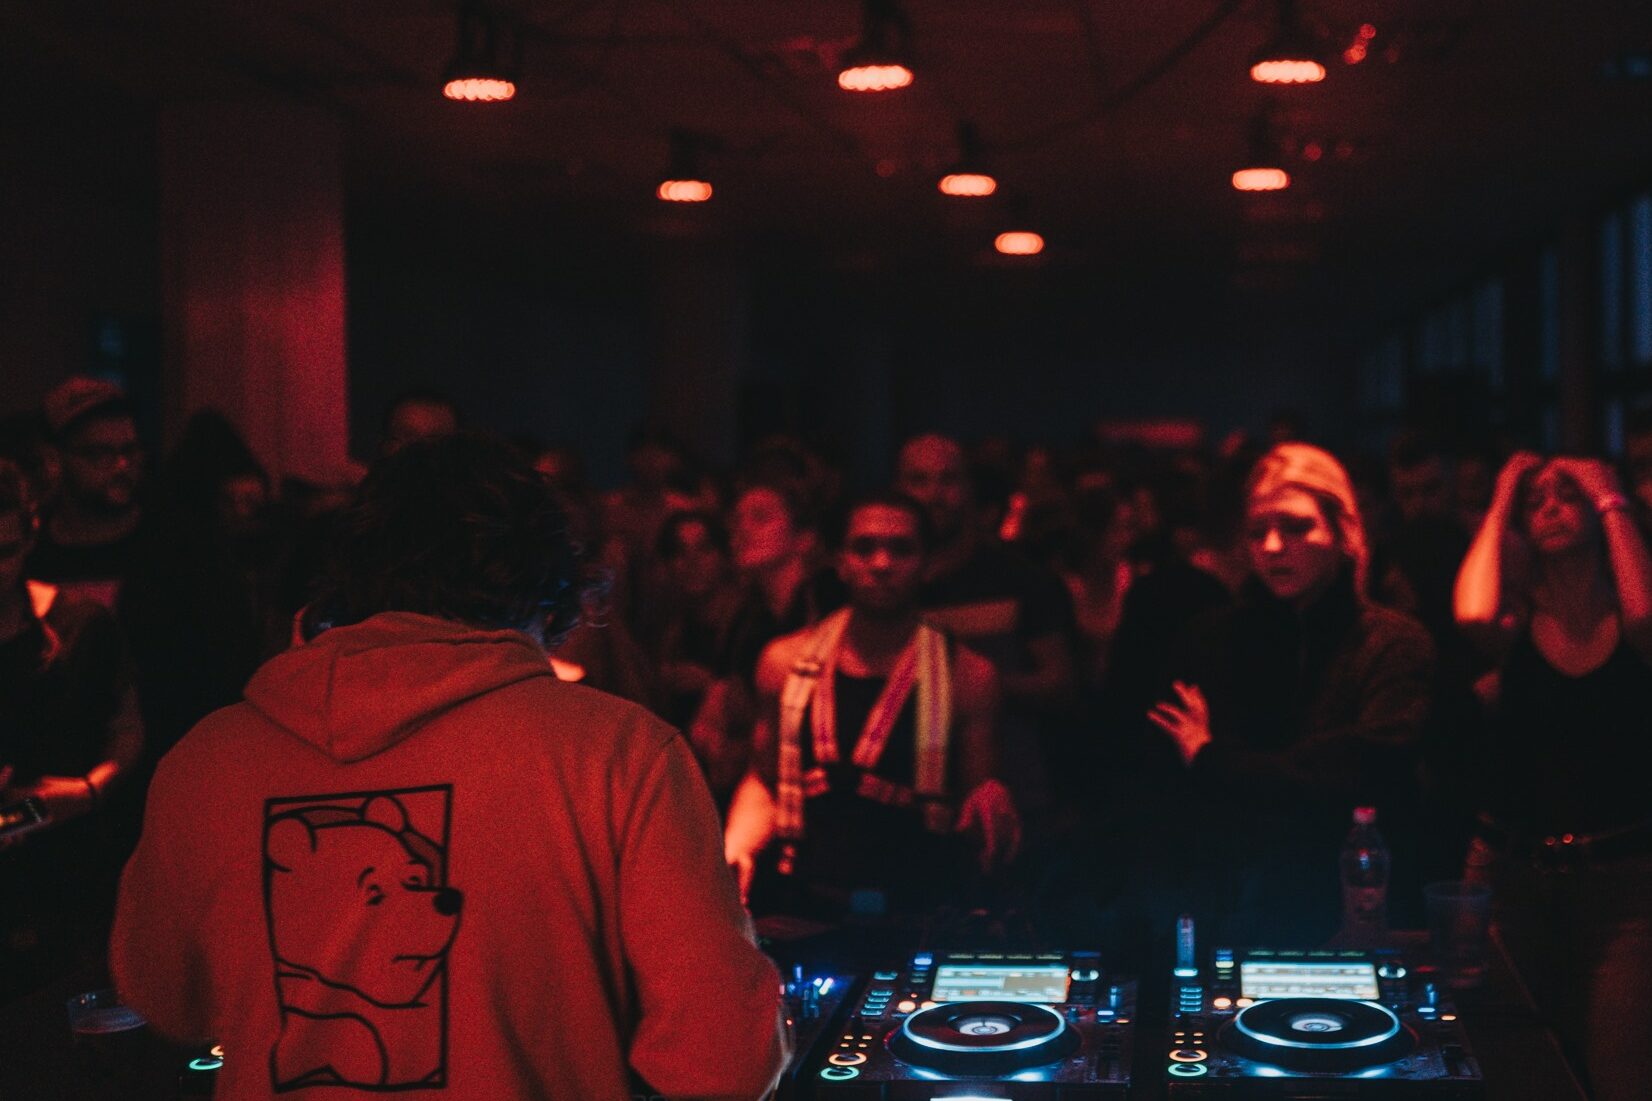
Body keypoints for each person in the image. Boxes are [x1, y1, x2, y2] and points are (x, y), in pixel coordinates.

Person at [111, 435, 785, 1101]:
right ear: (550, 589)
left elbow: (163, 994)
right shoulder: (620, 755)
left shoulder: (207, 760)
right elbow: (723, 1059)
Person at [1148, 443, 1433, 945]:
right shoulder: (1213, 638)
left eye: (1297, 527)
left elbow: (1361, 771)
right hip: (1239, 904)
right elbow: (1178, 790)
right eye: (1257, 532)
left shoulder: (1392, 642)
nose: (1273, 547)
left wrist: (1215, 759)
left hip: (1354, 904)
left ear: (1342, 532)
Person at [1454, 451, 1652, 1101]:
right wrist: (1503, 490)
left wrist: (1610, 498)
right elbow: (1471, 614)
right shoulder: (1516, 617)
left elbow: (1647, 620)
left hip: (1622, 883)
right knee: (1511, 1068)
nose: (1550, 508)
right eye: (1537, 501)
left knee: (1621, 1070)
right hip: (1510, 874)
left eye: (1567, 495)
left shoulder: (1633, 613)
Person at [723, 492, 1020, 919]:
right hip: (805, 903)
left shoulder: (968, 676)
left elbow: (977, 798)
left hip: (918, 909)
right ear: (840, 562)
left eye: (901, 549)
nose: (881, 564)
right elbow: (765, 779)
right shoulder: (783, 663)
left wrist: (990, 810)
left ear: (926, 562)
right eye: (864, 548)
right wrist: (737, 846)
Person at [0, 459, 143, 999]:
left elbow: (127, 727)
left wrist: (87, 791)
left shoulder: (81, 625)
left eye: (5, 552)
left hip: (68, 882)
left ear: (30, 534)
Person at [895, 434, 1074, 830]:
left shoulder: (1020, 579)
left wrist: (970, 685)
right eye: (919, 481)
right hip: (908, 802)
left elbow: (1060, 683)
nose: (934, 495)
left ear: (969, 488)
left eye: (948, 480)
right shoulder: (887, 586)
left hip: (1012, 796)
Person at [27, 377, 146, 609]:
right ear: (53, 460)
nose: (122, 465)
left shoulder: (176, 546)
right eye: (100, 453)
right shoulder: (28, 554)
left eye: (129, 450)